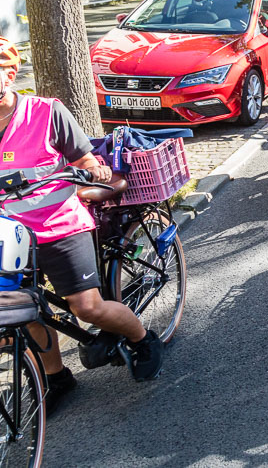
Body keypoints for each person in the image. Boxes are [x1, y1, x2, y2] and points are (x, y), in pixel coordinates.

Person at [0, 39, 164, 412]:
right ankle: (57, 378)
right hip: (10, 235)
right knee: (20, 310)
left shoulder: (46, 112)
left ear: (10, 74)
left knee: (87, 307)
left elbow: (86, 159)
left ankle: (142, 340)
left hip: (58, 225)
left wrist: (95, 169)